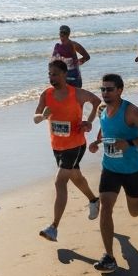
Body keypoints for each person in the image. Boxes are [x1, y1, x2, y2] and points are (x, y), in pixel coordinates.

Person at [87, 74, 138, 272]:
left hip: (132, 169)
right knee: (106, 208)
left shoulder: (131, 111)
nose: (105, 93)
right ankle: (109, 257)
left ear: (120, 90)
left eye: (109, 89)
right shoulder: (101, 109)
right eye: (102, 89)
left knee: (134, 211)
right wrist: (97, 141)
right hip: (110, 167)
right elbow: (105, 130)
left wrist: (129, 143)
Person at [33, 59, 101, 242]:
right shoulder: (46, 95)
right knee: (75, 176)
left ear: (64, 74)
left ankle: (54, 227)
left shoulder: (76, 93)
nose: (51, 77)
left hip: (76, 144)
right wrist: (42, 116)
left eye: (55, 74)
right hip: (57, 146)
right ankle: (94, 200)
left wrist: (89, 121)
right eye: (49, 74)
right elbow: (35, 118)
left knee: (60, 182)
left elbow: (97, 102)